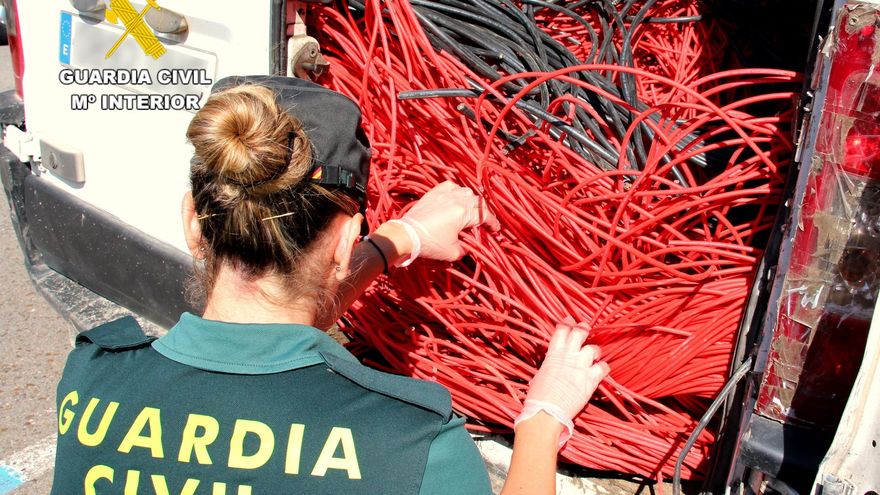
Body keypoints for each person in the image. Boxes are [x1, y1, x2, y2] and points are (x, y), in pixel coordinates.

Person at [50, 75, 609, 494]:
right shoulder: (410, 443)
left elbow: (266, 338)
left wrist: (397, 240)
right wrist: (542, 420)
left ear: (194, 225)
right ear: (343, 243)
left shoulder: (91, 381)